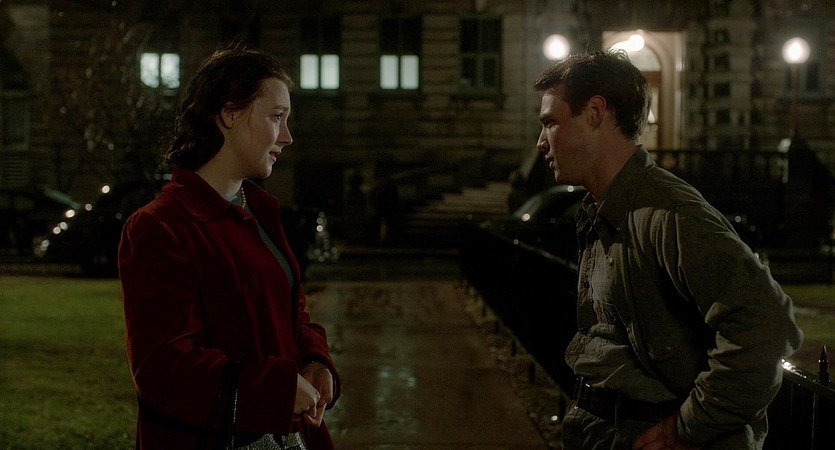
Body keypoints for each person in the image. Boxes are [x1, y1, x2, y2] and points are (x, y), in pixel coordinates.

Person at [533, 50, 803, 449]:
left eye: (550, 123)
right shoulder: (605, 208)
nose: (541, 142)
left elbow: (766, 324)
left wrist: (685, 429)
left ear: (594, 113)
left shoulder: (667, 211)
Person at [119, 46, 340, 450]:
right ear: (229, 114)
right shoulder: (161, 226)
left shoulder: (258, 211)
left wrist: (314, 361)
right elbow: (163, 368)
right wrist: (273, 390)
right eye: (276, 117)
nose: (287, 136)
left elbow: (290, 313)